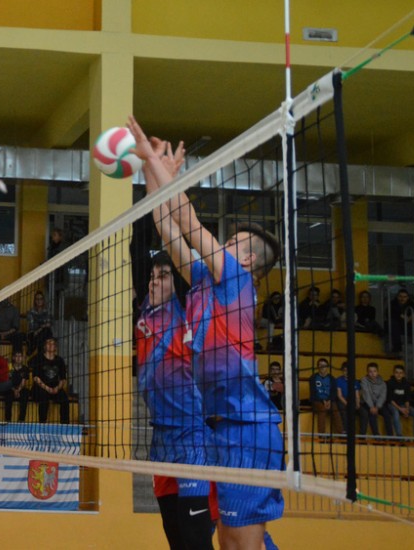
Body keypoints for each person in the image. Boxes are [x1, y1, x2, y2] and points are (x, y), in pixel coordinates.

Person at [130, 116, 283, 547]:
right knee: (230, 543)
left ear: (247, 260)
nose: (222, 244)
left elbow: (189, 220)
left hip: (247, 428)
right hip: (218, 427)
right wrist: (154, 175)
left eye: (231, 242)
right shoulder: (202, 281)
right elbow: (168, 227)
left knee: (240, 544)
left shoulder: (236, 279)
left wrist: (152, 161)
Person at [136, 250, 213, 550]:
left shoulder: (186, 313)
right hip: (161, 440)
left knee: (195, 539)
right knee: (175, 538)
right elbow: (136, 249)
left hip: (191, 437)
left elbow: (201, 279)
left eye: (163, 276)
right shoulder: (146, 308)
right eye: (152, 277)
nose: (153, 282)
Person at [31, 336, 71, 424]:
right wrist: (47, 388)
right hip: (40, 387)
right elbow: (35, 378)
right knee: (44, 397)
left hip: (55, 387)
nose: (50, 345)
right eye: (48, 343)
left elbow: (63, 379)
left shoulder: (60, 360)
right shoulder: (38, 358)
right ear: (44, 346)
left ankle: (65, 425)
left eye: (53, 343)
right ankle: (42, 424)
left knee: (65, 399)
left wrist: (57, 388)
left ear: (55, 347)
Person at [385, 364, 414, 438]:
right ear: (393, 373)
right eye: (396, 372)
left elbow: (407, 399)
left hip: (403, 404)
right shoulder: (389, 383)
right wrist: (400, 409)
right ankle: (399, 436)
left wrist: (407, 409)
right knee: (395, 413)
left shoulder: (406, 384)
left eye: (400, 373)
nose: (398, 374)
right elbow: (390, 399)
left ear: (403, 374)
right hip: (392, 404)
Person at [389, 289, 414, 353]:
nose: (402, 298)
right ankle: (397, 347)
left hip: (409, 326)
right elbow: (389, 313)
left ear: (407, 297)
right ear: (397, 297)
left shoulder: (411, 303)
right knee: (393, 322)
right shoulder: (393, 303)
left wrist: (413, 317)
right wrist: (401, 316)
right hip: (399, 326)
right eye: (400, 296)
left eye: (404, 297)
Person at [309, 358, 341, 434]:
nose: (322, 367)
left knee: (335, 410)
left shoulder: (331, 378)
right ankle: (321, 435)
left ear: (327, 367)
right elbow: (313, 393)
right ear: (318, 367)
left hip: (329, 400)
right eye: (321, 365)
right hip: (317, 400)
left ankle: (341, 434)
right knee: (322, 410)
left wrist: (329, 400)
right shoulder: (313, 378)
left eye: (324, 365)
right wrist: (322, 401)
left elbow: (333, 392)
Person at [359, 362, 387, 436]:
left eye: (374, 371)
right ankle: (374, 436)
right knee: (371, 413)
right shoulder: (364, 380)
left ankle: (391, 437)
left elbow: (382, 396)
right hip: (365, 403)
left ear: (377, 372)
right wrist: (371, 406)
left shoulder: (383, 383)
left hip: (377, 404)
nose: (372, 373)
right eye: (370, 371)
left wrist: (377, 407)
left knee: (387, 414)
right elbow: (366, 394)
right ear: (367, 372)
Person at [335, 362, 361, 435]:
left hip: (352, 400)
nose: (346, 372)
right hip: (342, 400)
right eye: (345, 370)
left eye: (348, 370)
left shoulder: (355, 381)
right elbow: (339, 395)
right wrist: (347, 404)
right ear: (342, 371)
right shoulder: (339, 380)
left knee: (362, 412)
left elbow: (357, 395)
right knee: (344, 410)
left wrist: (357, 403)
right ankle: (346, 432)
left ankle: (358, 433)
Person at [8, 350, 33, 423]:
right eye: (17, 356)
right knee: (8, 396)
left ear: (22, 358)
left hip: (21, 388)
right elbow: (7, 381)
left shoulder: (25, 368)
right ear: (13, 357)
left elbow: (23, 382)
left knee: (25, 395)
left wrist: (18, 390)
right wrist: (14, 390)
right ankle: (8, 420)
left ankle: (21, 420)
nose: (18, 358)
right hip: (10, 388)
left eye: (20, 356)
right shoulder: (9, 367)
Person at [25, 290, 53, 356]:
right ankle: (41, 356)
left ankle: (32, 347)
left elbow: (49, 324)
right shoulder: (31, 312)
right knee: (44, 333)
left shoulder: (47, 312)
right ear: (35, 301)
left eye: (41, 299)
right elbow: (32, 327)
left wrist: (39, 329)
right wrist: (43, 325)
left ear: (43, 300)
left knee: (46, 331)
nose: (39, 301)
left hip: (39, 334)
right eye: (37, 299)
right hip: (33, 334)